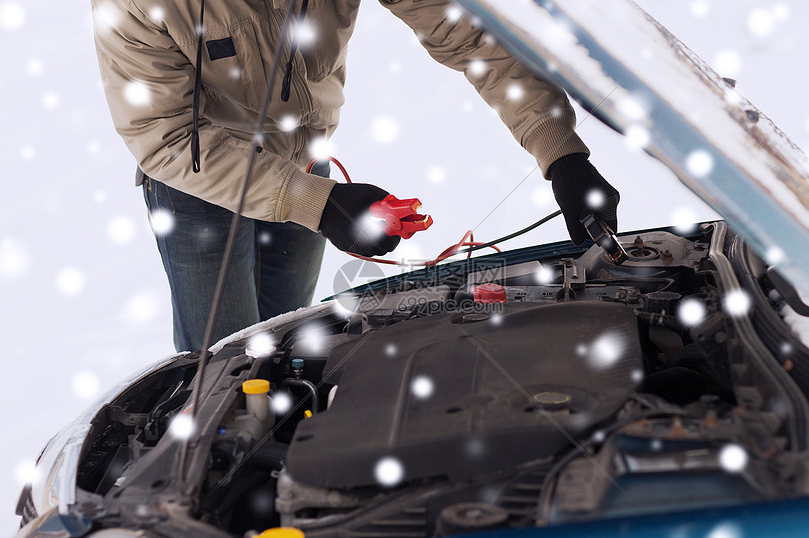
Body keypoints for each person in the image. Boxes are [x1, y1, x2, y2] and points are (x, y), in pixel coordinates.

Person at [93, 0, 620, 352]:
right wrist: (317, 204)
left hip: (306, 168)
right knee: (228, 368)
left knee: (287, 346)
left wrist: (562, 155)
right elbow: (163, 135)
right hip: (199, 192)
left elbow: (473, 40)